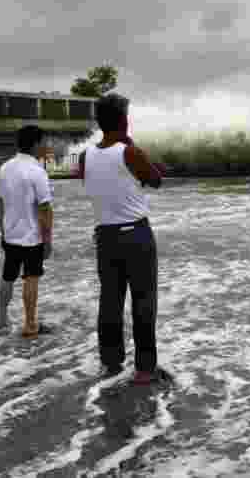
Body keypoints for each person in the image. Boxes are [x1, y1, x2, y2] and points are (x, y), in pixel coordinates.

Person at [78, 93, 166, 384]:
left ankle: (111, 362)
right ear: (124, 121)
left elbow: (96, 184)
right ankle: (145, 369)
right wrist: (134, 147)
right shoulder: (130, 152)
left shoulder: (85, 156)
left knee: (110, 300)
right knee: (143, 301)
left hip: (105, 237)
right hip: (136, 235)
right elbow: (156, 180)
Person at [0, 125, 54, 338]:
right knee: (31, 277)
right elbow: (45, 208)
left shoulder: (4, 169)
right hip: (32, 237)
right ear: (36, 144)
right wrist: (47, 240)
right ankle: (30, 324)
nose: (45, 146)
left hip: (10, 234)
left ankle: (2, 318)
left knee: (8, 276)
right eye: (43, 142)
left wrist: (3, 231)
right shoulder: (37, 172)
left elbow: (1, 204)